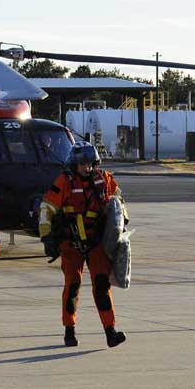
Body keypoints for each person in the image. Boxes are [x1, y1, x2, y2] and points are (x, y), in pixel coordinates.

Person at [38, 141, 127, 348]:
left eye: (91, 164)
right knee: (73, 285)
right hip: (71, 243)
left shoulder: (105, 179)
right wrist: (47, 238)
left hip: (97, 242)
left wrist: (121, 227)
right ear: (74, 164)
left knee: (102, 284)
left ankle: (110, 331)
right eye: (83, 164)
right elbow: (47, 208)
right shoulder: (64, 182)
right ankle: (69, 330)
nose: (87, 168)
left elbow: (118, 204)